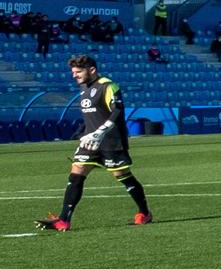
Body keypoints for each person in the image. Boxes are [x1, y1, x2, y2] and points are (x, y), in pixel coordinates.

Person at [36, 55, 153, 230]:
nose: (74, 75)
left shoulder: (108, 86)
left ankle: (144, 213)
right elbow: (92, 116)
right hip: (90, 141)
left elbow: (117, 111)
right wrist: (83, 133)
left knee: (122, 175)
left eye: (78, 72)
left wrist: (100, 132)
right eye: (73, 72)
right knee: (76, 173)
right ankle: (63, 220)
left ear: (92, 70)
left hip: (111, 141)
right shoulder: (84, 87)